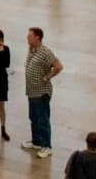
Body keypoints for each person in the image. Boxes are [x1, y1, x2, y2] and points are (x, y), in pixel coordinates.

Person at [22, 26, 63, 159]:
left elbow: (58, 66)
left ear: (37, 38)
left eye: (30, 36)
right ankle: (37, 141)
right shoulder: (31, 49)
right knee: (33, 117)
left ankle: (47, 146)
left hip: (41, 93)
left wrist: (47, 77)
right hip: (31, 92)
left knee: (43, 119)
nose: (27, 38)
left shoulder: (45, 52)